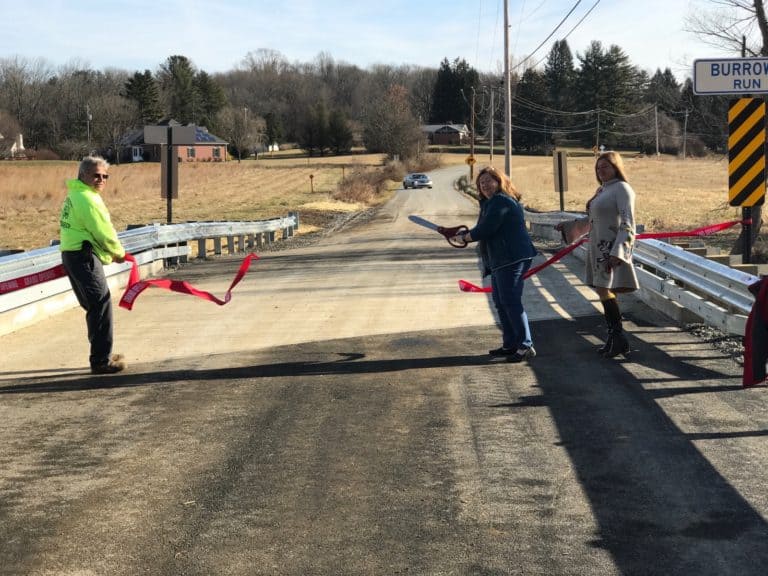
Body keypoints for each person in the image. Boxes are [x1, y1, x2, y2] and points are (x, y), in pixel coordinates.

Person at [556, 151, 639, 358]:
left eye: (605, 167)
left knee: (604, 289)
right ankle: (615, 337)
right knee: (603, 289)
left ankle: (617, 336)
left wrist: (619, 251)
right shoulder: (602, 190)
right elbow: (592, 220)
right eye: (598, 168)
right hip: (597, 247)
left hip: (610, 249)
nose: (601, 171)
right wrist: (569, 227)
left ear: (616, 168)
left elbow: (628, 223)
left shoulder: (622, 189)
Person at [452, 165, 538, 363]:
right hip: (500, 259)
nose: (485, 186)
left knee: (510, 301)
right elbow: (483, 227)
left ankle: (525, 345)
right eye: (481, 183)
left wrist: (465, 237)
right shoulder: (490, 203)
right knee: (501, 302)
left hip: (512, 258)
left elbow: (486, 229)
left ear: (499, 182)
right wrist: (465, 234)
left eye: (488, 181)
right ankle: (510, 344)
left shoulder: (501, 201)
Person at [59, 156, 127, 374]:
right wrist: (118, 253)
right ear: (83, 175)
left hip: (73, 254)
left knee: (94, 306)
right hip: (83, 256)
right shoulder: (87, 198)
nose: (101, 179)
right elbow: (103, 231)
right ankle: (100, 361)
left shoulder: (76, 194)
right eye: (96, 175)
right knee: (100, 305)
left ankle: (101, 355)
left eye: (105, 176)